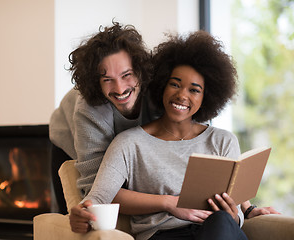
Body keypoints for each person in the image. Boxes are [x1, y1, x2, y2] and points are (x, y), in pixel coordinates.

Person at [69, 31, 270, 240]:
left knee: (221, 222)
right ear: (161, 85)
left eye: (194, 90)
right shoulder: (127, 143)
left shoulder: (223, 141)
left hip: (217, 231)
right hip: (162, 235)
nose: (182, 95)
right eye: (175, 84)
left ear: (206, 97)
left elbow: (234, 209)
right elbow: (98, 195)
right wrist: (82, 211)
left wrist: (236, 215)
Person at [49, 22, 158, 202]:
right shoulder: (88, 110)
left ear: (140, 70)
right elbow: (96, 190)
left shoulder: (158, 94)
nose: (120, 88)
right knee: (72, 214)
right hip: (67, 140)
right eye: (107, 79)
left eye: (126, 75)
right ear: (96, 82)